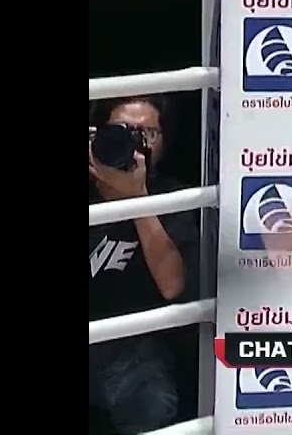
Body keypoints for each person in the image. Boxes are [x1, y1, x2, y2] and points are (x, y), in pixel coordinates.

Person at [88, 95, 199, 435]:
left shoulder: (176, 199)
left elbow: (173, 285)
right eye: (121, 131)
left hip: (139, 350)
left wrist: (137, 201)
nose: (134, 143)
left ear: (163, 143)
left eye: (148, 134)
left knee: (150, 400)